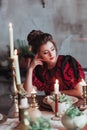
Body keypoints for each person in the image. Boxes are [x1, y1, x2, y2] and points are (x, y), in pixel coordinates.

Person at [24, 30, 85, 98]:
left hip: (74, 106)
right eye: (46, 52)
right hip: (50, 107)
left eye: (52, 49)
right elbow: (28, 94)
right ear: (38, 55)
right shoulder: (39, 69)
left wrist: (56, 93)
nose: (51, 54)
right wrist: (30, 68)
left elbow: (80, 92)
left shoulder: (67, 63)